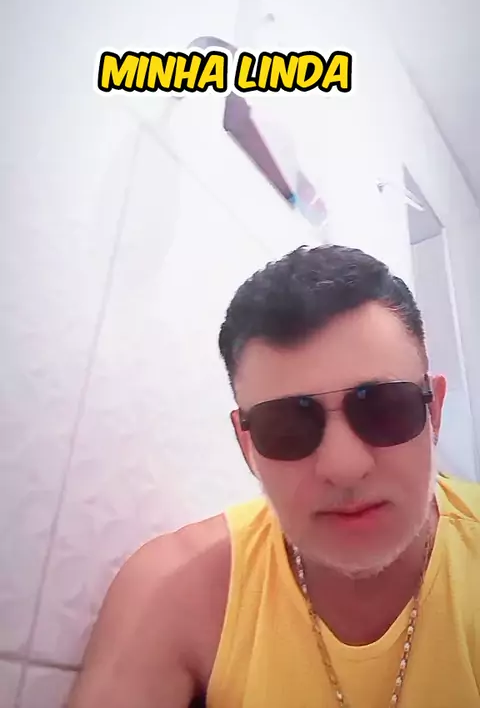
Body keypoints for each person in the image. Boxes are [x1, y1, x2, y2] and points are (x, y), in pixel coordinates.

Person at [68, 245, 480, 708]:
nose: (343, 466)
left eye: (384, 408)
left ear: (434, 412)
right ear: (248, 445)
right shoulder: (174, 591)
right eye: (288, 426)